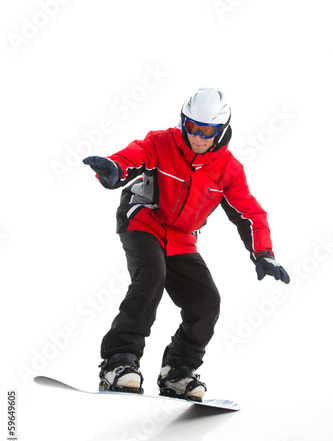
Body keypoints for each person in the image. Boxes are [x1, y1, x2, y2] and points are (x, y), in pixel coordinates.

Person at [82, 87, 290, 402]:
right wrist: (114, 170)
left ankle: (178, 371)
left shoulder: (228, 171)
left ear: (221, 131)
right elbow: (133, 156)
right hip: (143, 219)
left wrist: (264, 252)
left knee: (206, 300)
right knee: (152, 274)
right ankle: (118, 361)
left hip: (181, 236)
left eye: (207, 130)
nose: (197, 136)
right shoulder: (162, 142)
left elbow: (250, 214)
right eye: (190, 126)